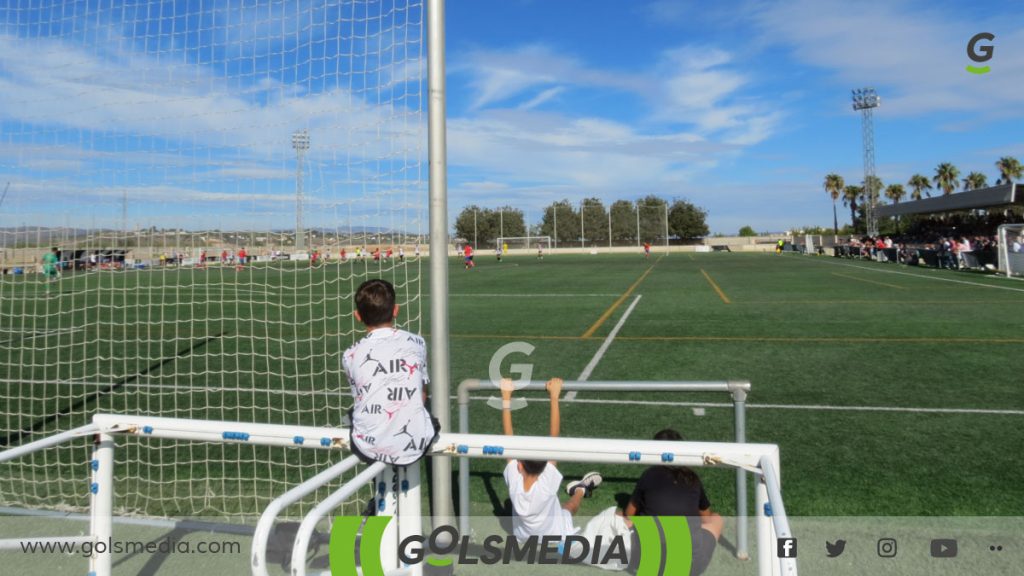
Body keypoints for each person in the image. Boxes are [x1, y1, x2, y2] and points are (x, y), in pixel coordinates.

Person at [342, 279, 438, 466]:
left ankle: (380, 489)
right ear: (396, 310)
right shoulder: (417, 342)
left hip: (367, 446)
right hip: (417, 443)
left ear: (357, 316)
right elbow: (422, 393)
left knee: (353, 415)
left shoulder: (349, 354)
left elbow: (360, 397)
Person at [500, 378, 602, 542]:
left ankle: (579, 489)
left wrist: (506, 397)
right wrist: (554, 397)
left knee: (559, 509)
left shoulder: (515, 481)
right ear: (544, 467)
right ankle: (581, 489)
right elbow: (554, 438)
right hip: (555, 534)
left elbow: (508, 439)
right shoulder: (546, 483)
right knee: (569, 508)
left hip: (523, 536)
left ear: (519, 465)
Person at [623, 429, 723, 576]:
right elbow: (707, 518)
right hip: (689, 566)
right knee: (716, 519)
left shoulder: (649, 475)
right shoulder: (692, 478)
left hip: (649, 561)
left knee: (626, 521)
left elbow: (629, 514)